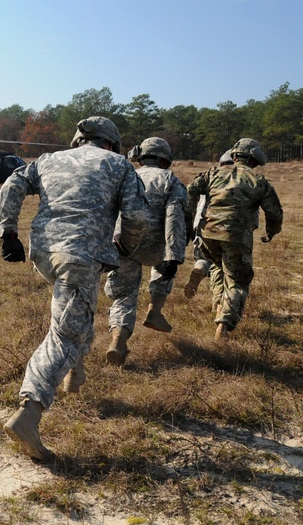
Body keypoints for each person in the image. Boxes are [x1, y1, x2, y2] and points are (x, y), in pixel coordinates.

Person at [0, 116, 148, 461]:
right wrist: (125, 247)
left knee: (76, 317)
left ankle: (74, 376)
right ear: (111, 143)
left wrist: (8, 232)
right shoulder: (119, 165)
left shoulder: (48, 159)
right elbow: (137, 217)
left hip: (45, 252)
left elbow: (11, 187)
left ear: (79, 139)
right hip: (80, 255)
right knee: (64, 333)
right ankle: (28, 412)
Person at [186, 138, 282, 340]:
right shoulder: (258, 180)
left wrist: (190, 218)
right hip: (236, 236)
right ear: (254, 159)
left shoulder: (213, 173)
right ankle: (224, 323)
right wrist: (271, 232)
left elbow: (191, 189)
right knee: (238, 279)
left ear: (234, 155)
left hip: (208, 234)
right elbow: (275, 213)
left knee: (218, 267)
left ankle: (219, 303)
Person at [104, 137, 189, 365]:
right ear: (165, 158)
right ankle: (154, 311)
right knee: (163, 270)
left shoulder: (127, 175)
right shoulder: (170, 180)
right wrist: (174, 254)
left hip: (123, 245)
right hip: (156, 247)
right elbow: (174, 218)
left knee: (124, 295)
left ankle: (118, 340)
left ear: (140, 157)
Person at [183, 151, 232, 299]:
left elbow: (192, 194)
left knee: (203, 258)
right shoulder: (243, 180)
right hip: (229, 230)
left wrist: (189, 221)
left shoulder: (209, 176)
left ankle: (199, 268)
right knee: (222, 266)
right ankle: (219, 299)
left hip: (203, 226)